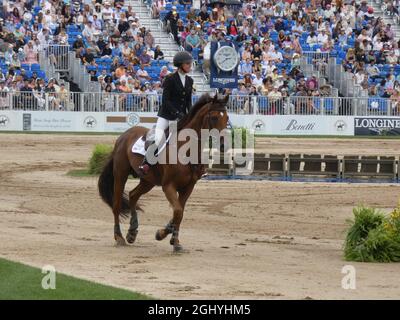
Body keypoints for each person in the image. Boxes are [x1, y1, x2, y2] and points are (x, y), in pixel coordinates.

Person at [139, 51, 194, 174]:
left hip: (181, 118)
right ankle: (146, 163)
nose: (190, 66)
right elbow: (165, 101)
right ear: (180, 65)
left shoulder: (190, 81)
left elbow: (188, 102)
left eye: (190, 64)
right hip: (166, 115)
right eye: (187, 64)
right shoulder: (170, 79)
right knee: (159, 139)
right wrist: (176, 113)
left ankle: (196, 167)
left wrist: (189, 115)